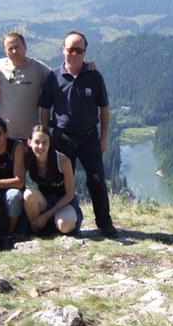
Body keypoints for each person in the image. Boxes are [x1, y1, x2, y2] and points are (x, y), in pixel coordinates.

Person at [38, 31, 118, 237]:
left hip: (89, 138)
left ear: (85, 52)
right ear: (63, 49)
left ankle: (104, 223)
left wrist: (103, 137)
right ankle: (58, 221)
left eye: (79, 50)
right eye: (70, 49)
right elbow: (45, 108)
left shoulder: (94, 76)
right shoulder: (53, 77)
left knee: (97, 181)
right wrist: (45, 136)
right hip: (61, 138)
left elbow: (104, 108)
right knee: (58, 183)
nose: (74, 53)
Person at [0, 32, 51, 139]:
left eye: (17, 47)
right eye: (10, 48)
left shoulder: (38, 67)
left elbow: (58, 81)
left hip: (31, 135)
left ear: (25, 47)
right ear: (5, 51)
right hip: (4, 134)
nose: (14, 51)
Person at [24, 125, 83, 236]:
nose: (40, 146)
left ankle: (53, 225)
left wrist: (46, 216)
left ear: (50, 143)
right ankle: (36, 231)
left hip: (65, 203)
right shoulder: (28, 159)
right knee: (28, 195)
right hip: (45, 201)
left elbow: (69, 195)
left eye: (45, 142)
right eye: (37, 142)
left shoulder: (62, 161)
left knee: (65, 225)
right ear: (29, 142)